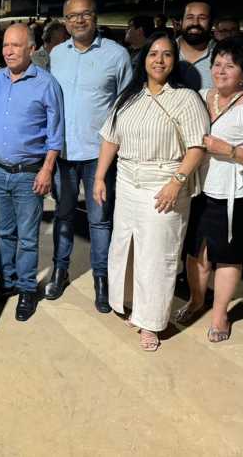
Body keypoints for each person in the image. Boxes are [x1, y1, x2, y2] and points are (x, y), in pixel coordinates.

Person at [94, 32, 209, 351]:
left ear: (175, 62)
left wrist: (177, 181)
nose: (159, 60)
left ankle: (152, 323)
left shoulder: (186, 99)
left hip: (165, 183)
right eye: (153, 54)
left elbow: (197, 146)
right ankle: (133, 305)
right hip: (128, 180)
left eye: (167, 55)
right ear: (143, 59)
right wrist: (100, 177)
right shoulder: (129, 97)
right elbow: (110, 138)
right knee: (127, 247)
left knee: (158, 255)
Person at [179, 37, 243, 342]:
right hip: (200, 187)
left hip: (235, 192)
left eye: (230, 66)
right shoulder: (200, 96)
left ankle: (220, 313)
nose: (221, 71)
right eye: (218, 64)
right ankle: (197, 300)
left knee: (228, 255)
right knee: (196, 252)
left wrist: (228, 150)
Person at [45, 0, 133, 312]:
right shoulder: (56, 55)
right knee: (63, 216)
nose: (79, 21)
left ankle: (101, 278)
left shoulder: (117, 55)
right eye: (72, 16)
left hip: (99, 155)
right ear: (65, 21)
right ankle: (60, 270)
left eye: (85, 15)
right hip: (64, 154)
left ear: (95, 17)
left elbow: (125, 106)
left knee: (99, 221)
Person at [0, 24, 63, 321]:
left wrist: (47, 169)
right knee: (4, 232)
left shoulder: (46, 84)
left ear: (31, 49)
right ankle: (7, 283)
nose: (8, 51)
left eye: (16, 46)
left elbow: (56, 136)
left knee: (28, 237)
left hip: (29, 173)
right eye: (5, 45)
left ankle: (28, 289)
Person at [177, 0, 215, 91]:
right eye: (190, 17)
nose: (195, 23)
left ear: (211, 23)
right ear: (181, 22)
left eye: (202, 18)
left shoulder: (222, 56)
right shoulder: (162, 52)